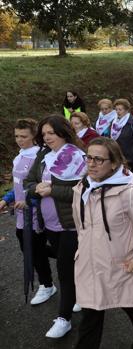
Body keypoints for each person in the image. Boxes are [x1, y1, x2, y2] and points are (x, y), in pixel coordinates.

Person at [72, 137, 133, 349]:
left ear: (114, 163)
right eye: (89, 157)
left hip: (121, 264)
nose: (91, 163)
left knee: (130, 305)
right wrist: (81, 251)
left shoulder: (128, 193)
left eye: (99, 159)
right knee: (91, 315)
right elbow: (80, 225)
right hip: (89, 264)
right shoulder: (81, 189)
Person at [24, 115, 87, 338]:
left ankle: (64, 319)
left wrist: (53, 190)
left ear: (63, 132)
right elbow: (28, 183)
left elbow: (83, 191)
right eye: (44, 134)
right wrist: (36, 188)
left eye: (51, 133)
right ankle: (79, 294)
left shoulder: (78, 156)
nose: (47, 137)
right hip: (49, 224)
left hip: (70, 225)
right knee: (67, 264)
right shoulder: (43, 156)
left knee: (64, 271)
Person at [0, 119, 55, 306]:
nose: (19, 140)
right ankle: (53, 278)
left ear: (34, 136)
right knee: (29, 248)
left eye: (24, 136)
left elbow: (42, 187)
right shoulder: (20, 156)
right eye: (16, 136)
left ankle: (47, 284)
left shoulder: (40, 158)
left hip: (37, 214)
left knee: (35, 249)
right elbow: (18, 184)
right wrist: (6, 199)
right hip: (22, 215)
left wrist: (29, 201)